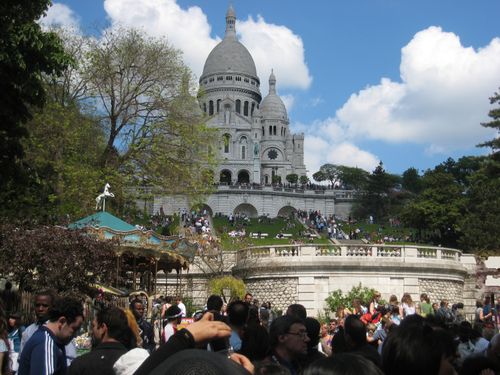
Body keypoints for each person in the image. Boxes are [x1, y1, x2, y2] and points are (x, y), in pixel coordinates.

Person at [18, 296, 84, 375]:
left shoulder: (52, 341)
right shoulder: (45, 344)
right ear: (62, 322)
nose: (75, 335)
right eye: (74, 329)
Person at [68, 306, 131, 375]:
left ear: (103, 328)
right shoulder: (134, 363)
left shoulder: (81, 364)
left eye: (93, 326)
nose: (91, 331)